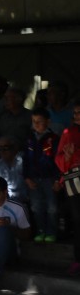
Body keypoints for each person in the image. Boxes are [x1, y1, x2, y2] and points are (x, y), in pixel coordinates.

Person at [23, 108, 61, 242]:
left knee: (52, 207)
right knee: (36, 207)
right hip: (33, 178)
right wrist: (26, 177)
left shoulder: (54, 139)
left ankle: (51, 232)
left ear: (48, 122)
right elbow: (26, 160)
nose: (37, 125)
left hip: (49, 178)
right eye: (34, 122)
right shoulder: (29, 139)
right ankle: (40, 231)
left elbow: (58, 160)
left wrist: (58, 179)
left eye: (40, 122)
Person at [55, 104, 80, 276]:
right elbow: (59, 159)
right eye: (75, 112)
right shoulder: (68, 133)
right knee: (79, 221)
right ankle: (78, 261)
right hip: (75, 179)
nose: (77, 115)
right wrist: (69, 156)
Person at [0, 136, 27, 203]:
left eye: (5, 148)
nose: (2, 151)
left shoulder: (24, 160)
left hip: (27, 200)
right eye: (0, 148)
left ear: (15, 147)